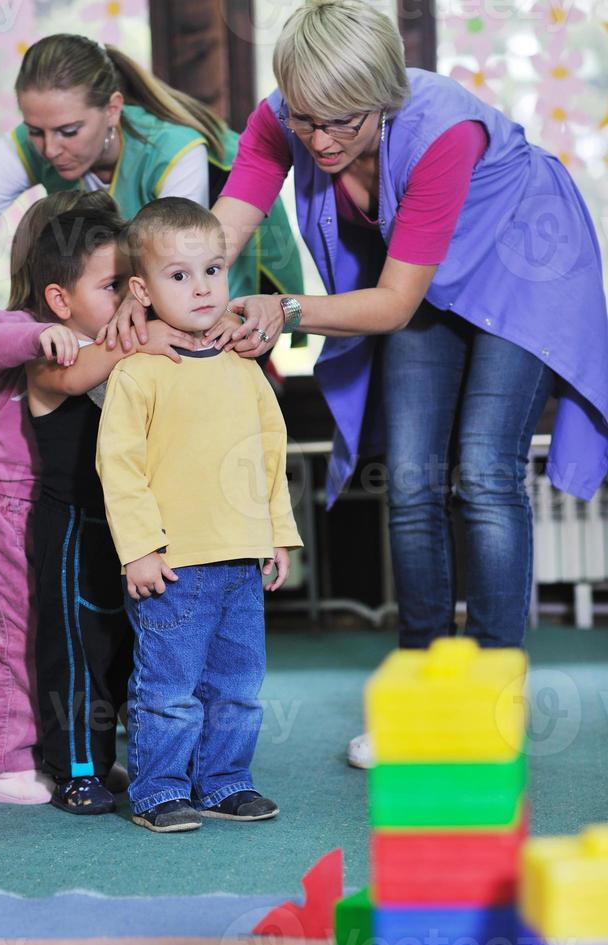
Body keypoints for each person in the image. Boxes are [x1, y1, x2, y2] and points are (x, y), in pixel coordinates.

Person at [207, 0, 608, 768]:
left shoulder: (443, 132)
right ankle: (420, 697)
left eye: (342, 124)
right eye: (304, 119)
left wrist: (283, 309)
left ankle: (495, 697)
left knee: (485, 474)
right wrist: (166, 282)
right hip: (422, 280)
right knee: (413, 480)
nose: (319, 140)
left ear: (386, 98)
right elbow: (225, 226)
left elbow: (390, 305)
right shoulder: (283, 118)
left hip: (520, 269)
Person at [0, 189, 194, 806]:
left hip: (96, 515)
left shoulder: (117, 346)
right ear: (60, 299)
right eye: (113, 287)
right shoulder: (40, 338)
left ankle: (81, 754)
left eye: (131, 286)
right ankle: (1, 759)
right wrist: (45, 336)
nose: (126, 302)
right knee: (14, 635)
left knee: (90, 639)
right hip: (18, 508)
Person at [98, 198, 303, 833]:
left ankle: (223, 782)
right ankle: (159, 789)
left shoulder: (246, 369)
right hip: (175, 565)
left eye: (212, 269)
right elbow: (120, 466)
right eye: (179, 275)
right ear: (143, 290)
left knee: (238, 685)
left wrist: (277, 537)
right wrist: (138, 549)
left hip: (242, 560)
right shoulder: (138, 373)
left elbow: (271, 456)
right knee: (168, 689)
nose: (202, 287)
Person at [0, 33, 303, 340]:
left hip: (211, 279)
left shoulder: (174, 150)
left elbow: (180, 270)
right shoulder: (35, 141)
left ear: (112, 110)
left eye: (69, 132)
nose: (51, 149)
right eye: (36, 131)